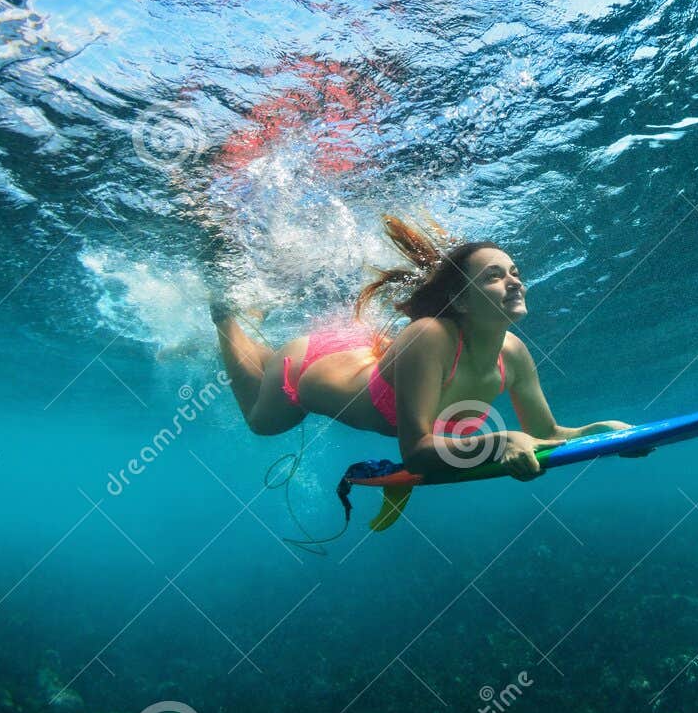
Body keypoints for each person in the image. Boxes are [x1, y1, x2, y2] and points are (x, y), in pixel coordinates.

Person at [211, 213, 642, 530]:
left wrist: (600, 433)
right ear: (461, 301)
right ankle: (227, 316)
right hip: (307, 366)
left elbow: (547, 432)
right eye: (494, 276)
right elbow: (416, 451)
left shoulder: (513, 353)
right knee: (262, 423)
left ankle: (251, 322)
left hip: (360, 353)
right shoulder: (429, 335)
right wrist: (502, 441)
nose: (515, 281)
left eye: (515, 272)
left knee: (265, 404)